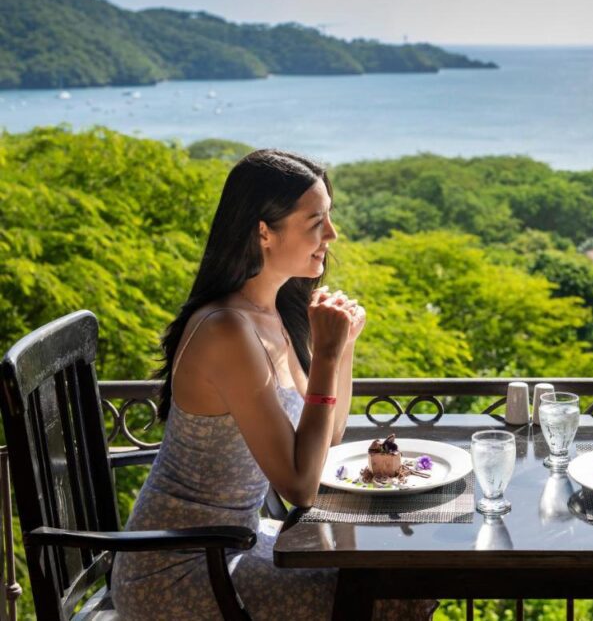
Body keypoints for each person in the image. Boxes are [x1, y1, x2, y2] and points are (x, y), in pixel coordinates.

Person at [111, 150, 436, 620]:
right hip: (178, 567)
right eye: (316, 221)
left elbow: (327, 437)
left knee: (400, 578)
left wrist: (341, 350)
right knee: (391, 599)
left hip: (230, 544)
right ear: (264, 231)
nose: (332, 235)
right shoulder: (227, 330)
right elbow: (300, 488)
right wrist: (323, 354)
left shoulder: (272, 313)